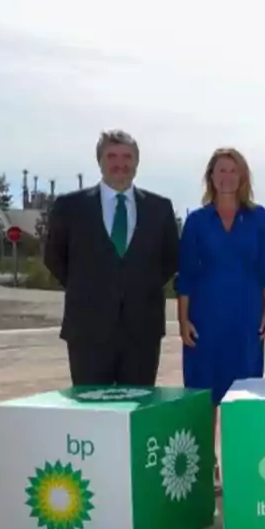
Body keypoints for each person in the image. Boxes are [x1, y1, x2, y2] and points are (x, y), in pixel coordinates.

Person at [44, 130, 180, 386]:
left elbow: (170, 259)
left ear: (137, 162)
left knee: (137, 409)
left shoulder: (159, 208)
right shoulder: (70, 207)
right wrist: (91, 288)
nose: (120, 164)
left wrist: (136, 287)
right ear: (100, 161)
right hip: (87, 329)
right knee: (92, 411)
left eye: (127, 156)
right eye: (112, 156)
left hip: (142, 330)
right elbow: (54, 258)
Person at [176, 147, 265, 405]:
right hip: (205, 320)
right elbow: (185, 274)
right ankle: (205, 448)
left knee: (244, 399)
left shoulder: (258, 217)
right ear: (211, 176)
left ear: (243, 177)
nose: (228, 176)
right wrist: (183, 320)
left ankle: (240, 447)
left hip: (246, 319)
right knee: (202, 396)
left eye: (234, 171)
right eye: (222, 170)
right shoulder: (197, 221)